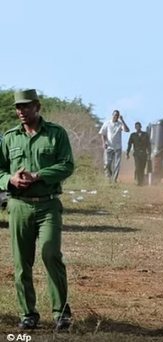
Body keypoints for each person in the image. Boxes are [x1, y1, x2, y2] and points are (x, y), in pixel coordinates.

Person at [0, 89, 75, 330]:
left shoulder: (56, 134)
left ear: (37, 106)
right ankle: (27, 314)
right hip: (19, 206)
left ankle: (61, 313)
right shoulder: (9, 137)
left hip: (48, 205)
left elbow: (67, 165)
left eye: (26, 106)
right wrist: (10, 180)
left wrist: (38, 175)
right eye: (17, 107)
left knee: (50, 253)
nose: (21, 111)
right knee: (22, 263)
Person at [99, 110, 129, 183]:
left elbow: (127, 130)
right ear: (112, 115)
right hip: (109, 147)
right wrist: (104, 143)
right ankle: (109, 177)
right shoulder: (107, 123)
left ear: (118, 116)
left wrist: (122, 120)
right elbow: (102, 134)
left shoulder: (120, 124)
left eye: (117, 115)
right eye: (114, 115)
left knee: (116, 165)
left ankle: (114, 180)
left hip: (117, 147)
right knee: (107, 164)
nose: (115, 116)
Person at [126, 122, 151, 186]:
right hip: (136, 154)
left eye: (138, 126)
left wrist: (149, 153)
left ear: (141, 127)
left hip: (144, 154)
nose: (137, 128)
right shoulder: (133, 135)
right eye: (136, 126)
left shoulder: (145, 135)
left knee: (142, 168)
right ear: (135, 127)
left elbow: (148, 145)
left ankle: (141, 181)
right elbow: (129, 144)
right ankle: (138, 181)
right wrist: (127, 153)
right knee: (137, 167)